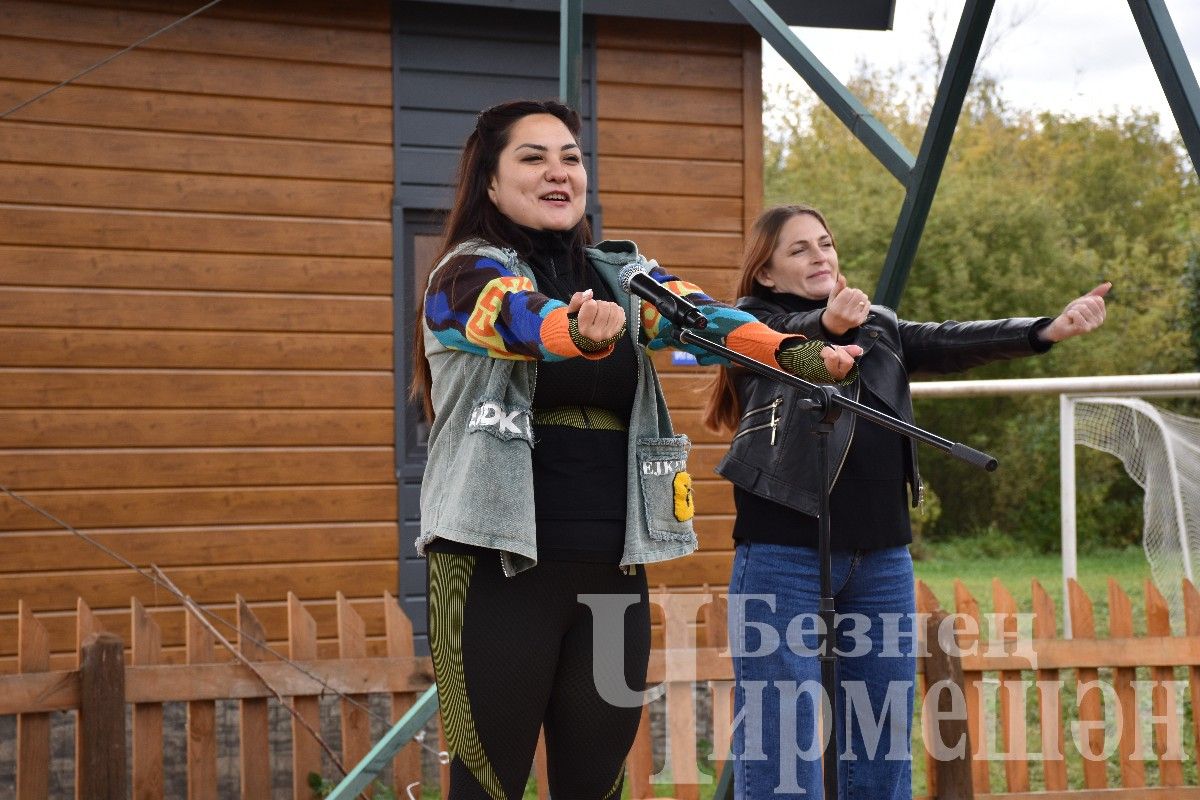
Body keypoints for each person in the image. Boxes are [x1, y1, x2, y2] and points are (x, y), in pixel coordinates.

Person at [410, 104, 860, 800]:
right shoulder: (459, 279)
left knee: (596, 784)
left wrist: (801, 355)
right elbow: (512, 320)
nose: (559, 171)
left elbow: (707, 320)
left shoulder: (625, 277)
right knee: (486, 785)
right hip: (487, 567)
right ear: (491, 184)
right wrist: (576, 332)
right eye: (532, 158)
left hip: (610, 569)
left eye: (570, 156)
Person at [704, 204, 1109, 799]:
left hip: (882, 558)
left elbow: (950, 341)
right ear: (765, 273)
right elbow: (779, 345)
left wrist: (1045, 330)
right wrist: (829, 329)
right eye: (800, 249)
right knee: (779, 737)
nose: (821, 256)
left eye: (826, 243)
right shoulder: (748, 323)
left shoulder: (880, 327)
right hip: (784, 554)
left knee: (880, 734)